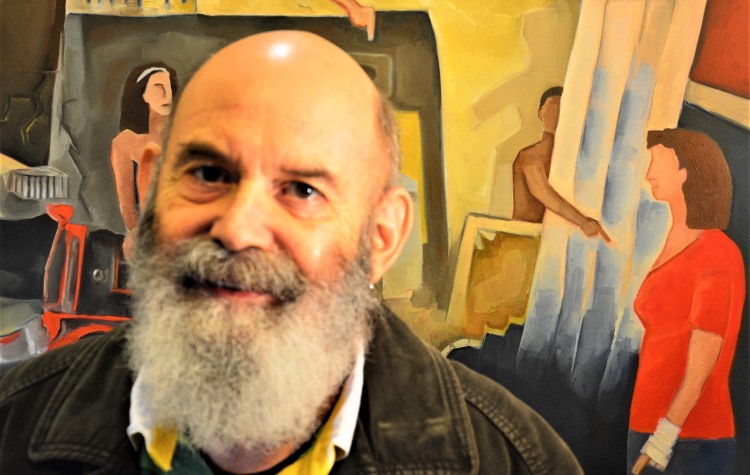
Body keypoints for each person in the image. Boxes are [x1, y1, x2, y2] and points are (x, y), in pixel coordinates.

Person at [0, 31, 582, 474]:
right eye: (207, 173)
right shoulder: (13, 429)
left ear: (381, 236)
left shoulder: (514, 461)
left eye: (302, 189)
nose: (238, 230)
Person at [629, 128, 745, 474]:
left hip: (690, 437)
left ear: (686, 171)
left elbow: (702, 362)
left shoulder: (718, 253)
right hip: (645, 423)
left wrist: (663, 440)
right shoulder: (672, 237)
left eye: (658, 163)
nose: (649, 174)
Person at [512, 87, 610, 241]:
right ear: (540, 112)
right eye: (551, 109)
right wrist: (583, 222)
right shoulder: (529, 156)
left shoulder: (569, 161)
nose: (555, 115)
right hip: (524, 236)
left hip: (551, 238)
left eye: (561, 109)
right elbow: (543, 192)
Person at [110, 62, 178, 258]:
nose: (166, 95)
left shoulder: (181, 136)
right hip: (144, 238)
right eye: (158, 87)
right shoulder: (124, 143)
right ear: (143, 94)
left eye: (169, 87)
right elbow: (128, 206)